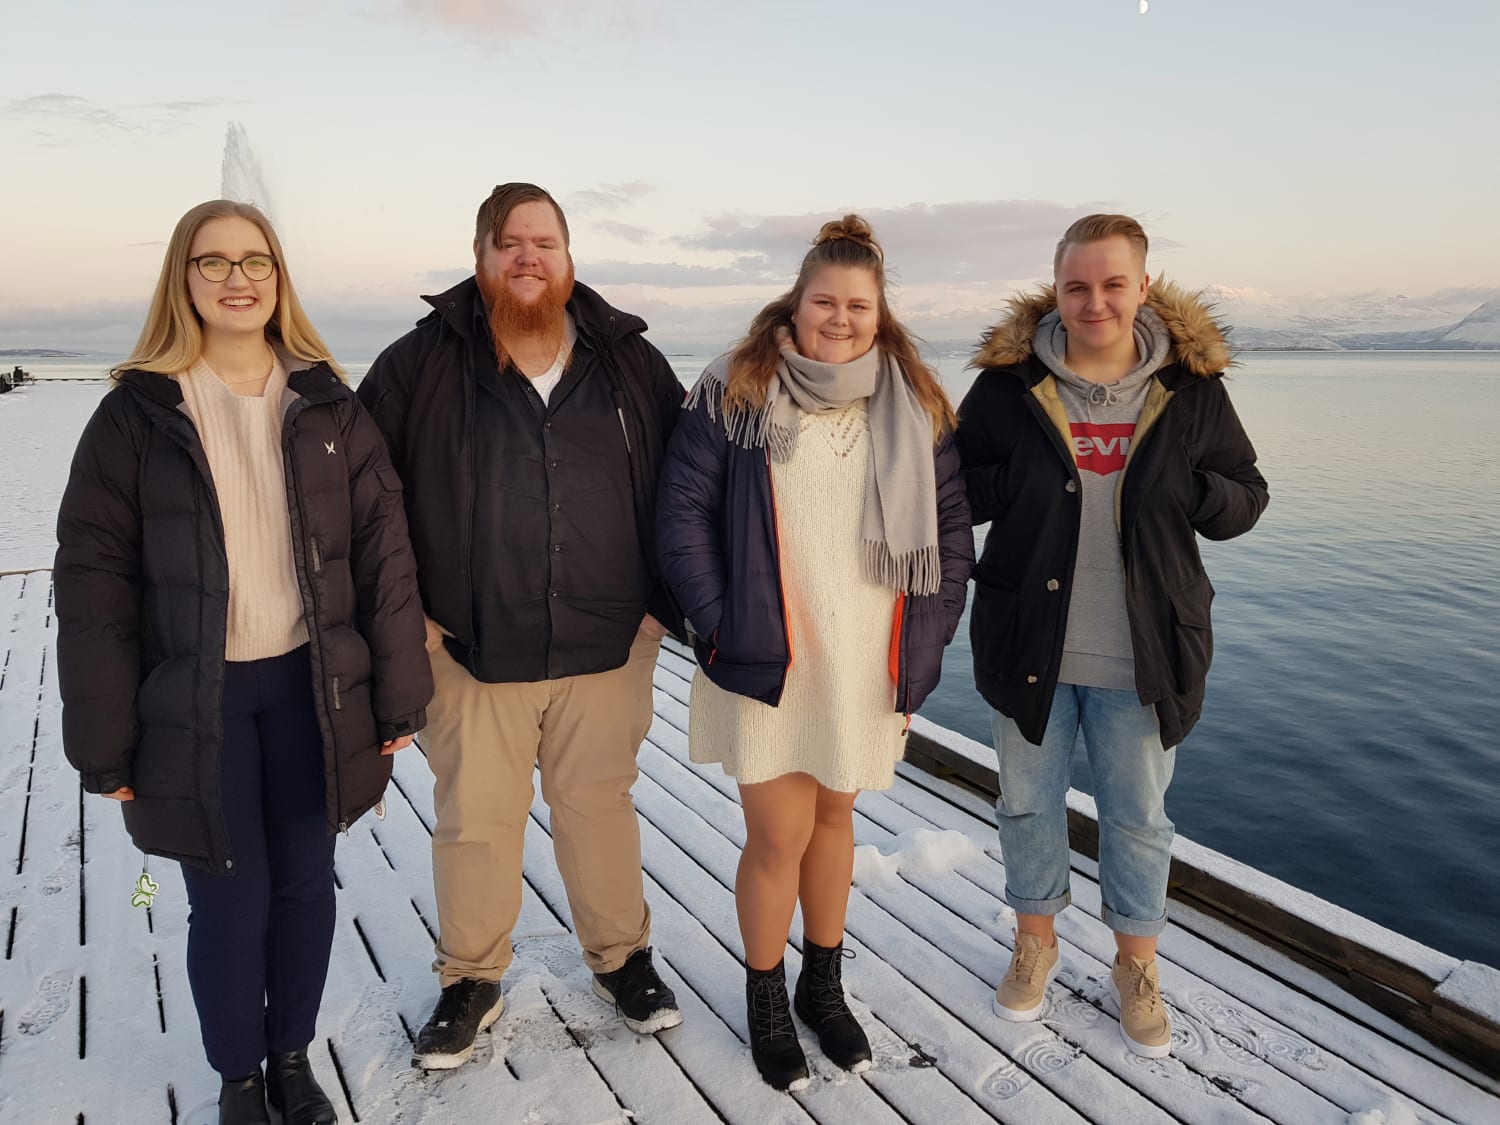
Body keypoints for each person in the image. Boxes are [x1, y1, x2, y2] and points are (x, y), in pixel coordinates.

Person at [55, 200, 432, 1125]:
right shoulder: (135, 416)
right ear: (183, 279)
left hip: (312, 689)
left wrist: (398, 696)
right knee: (228, 897)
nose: (237, 278)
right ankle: (238, 1078)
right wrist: (105, 744)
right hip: (199, 698)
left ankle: (291, 1058)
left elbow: (385, 560)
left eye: (255, 260)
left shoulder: (329, 406)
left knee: (303, 888)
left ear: (278, 277)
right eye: (214, 261)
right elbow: (95, 589)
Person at [356, 182, 687, 1070]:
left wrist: (666, 603)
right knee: (476, 819)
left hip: (609, 643)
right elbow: (365, 502)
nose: (528, 257)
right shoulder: (418, 364)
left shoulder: (628, 362)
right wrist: (411, 621)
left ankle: (622, 960)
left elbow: (689, 483)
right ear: (481, 257)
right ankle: (471, 978)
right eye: (510, 243)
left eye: (544, 242)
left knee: (598, 806)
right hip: (468, 647)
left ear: (570, 257)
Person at [656, 215, 973, 1090]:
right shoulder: (736, 390)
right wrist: (720, 621)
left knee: (837, 821)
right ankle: (764, 995)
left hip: (868, 656)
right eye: (824, 301)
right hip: (768, 648)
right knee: (778, 834)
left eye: (857, 305)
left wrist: (930, 638)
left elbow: (950, 535)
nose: (840, 318)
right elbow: (681, 515)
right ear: (794, 305)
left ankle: (820, 986)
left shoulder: (915, 403)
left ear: (881, 313)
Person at [956, 214, 1268, 1058]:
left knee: (1138, 817)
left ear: (1143, 287)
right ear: (1056, 290)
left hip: (1145, 649)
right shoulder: (1009, 386)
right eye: (1077, 286)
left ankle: (1137, 965)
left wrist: (1193, 492)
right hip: (1029, 641)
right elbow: (954, 488)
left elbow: (1246, 494)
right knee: (1026, 804)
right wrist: (1014, 482)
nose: (1095, 302)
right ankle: (1035, 943)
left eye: (1112, 284)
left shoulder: (1190, 389)